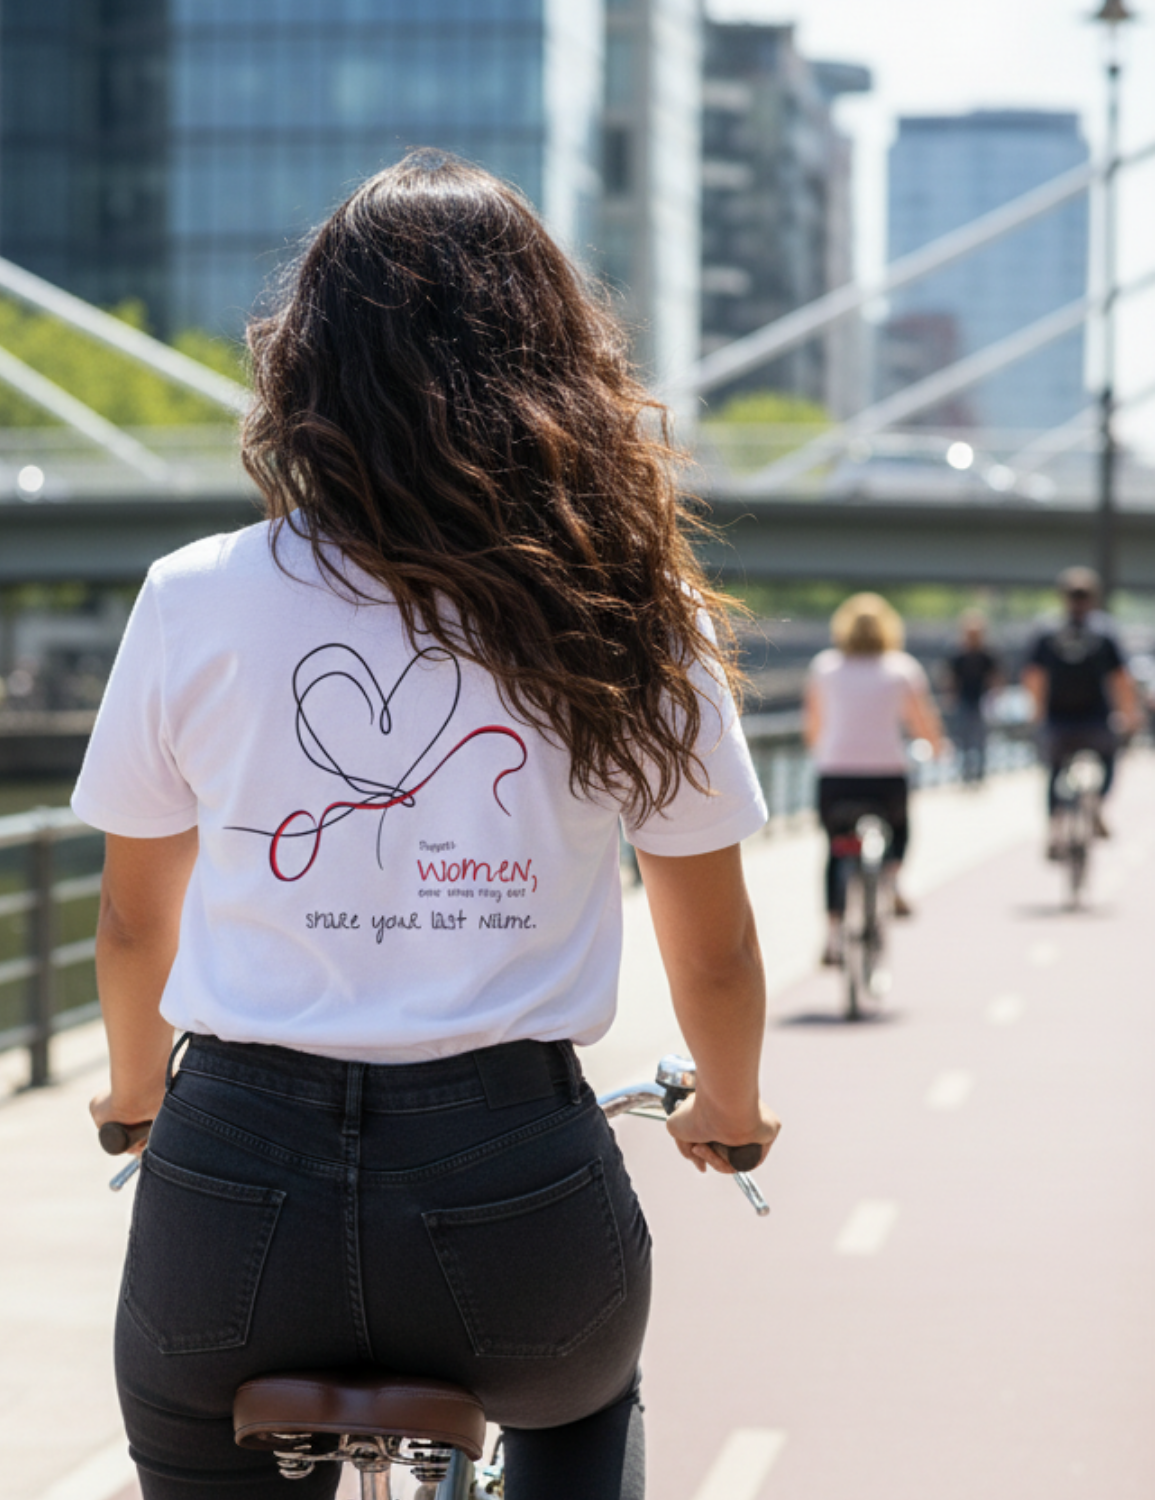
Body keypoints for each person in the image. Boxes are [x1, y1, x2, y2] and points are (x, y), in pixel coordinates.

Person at [70, 153, 780, 1500]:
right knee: (582, 1403)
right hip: (514, 1196)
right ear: (560, 357)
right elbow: (719, 953)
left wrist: (131, 1090)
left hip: (233, 1187)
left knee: (183, 1429)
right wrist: (731, 1105)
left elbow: (131, 921)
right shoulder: (631, 608)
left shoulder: (191, 596)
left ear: (305, 363)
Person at [804, 593, 945, 964]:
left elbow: (813, 728)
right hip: (886, 774)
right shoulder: (902, 668)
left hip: (836, 775)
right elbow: (923, 724)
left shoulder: (825, 667)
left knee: (836, 849)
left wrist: (823, 748)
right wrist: (936, 747)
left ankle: (833, 936)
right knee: (899, 829)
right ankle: (893, 877)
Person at [1022, 567, 1145, 852]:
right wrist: (1128, 715)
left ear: (1063, 597)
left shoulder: (1047, 631)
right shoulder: (1104, 631)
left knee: (1053, 772)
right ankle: (1097, 804)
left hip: (1057, 720)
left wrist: (1037, 713)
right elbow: (1121, 679)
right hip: (1096, 720)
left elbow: (1033, 677)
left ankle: (1054, 829)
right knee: (1110, 759)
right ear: (1093, 598)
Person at [942, 610, 1002, 786]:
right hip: (963, 700)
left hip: (982, 700)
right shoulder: (958, 654)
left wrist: (996, 696)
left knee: (981, 740)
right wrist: (949, 696)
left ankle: (980, 775)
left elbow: (996, 676)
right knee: (963, 740)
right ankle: (965, 774)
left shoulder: (987, 654)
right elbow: (949, 677)